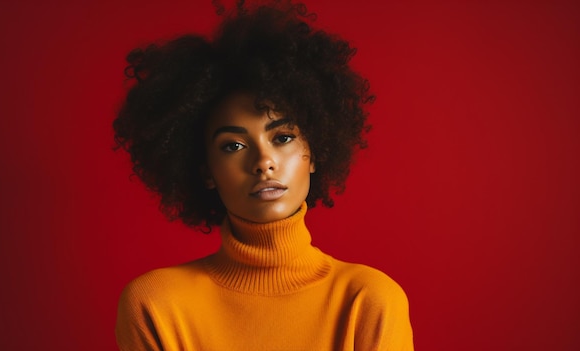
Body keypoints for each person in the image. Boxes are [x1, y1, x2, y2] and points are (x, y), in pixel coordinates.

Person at [113, 1, 414, 350]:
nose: (263, 162)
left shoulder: (367, 300)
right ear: (206, 171)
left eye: (282, 138)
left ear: (314, 154)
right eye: (233, 146)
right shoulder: (156, 305)